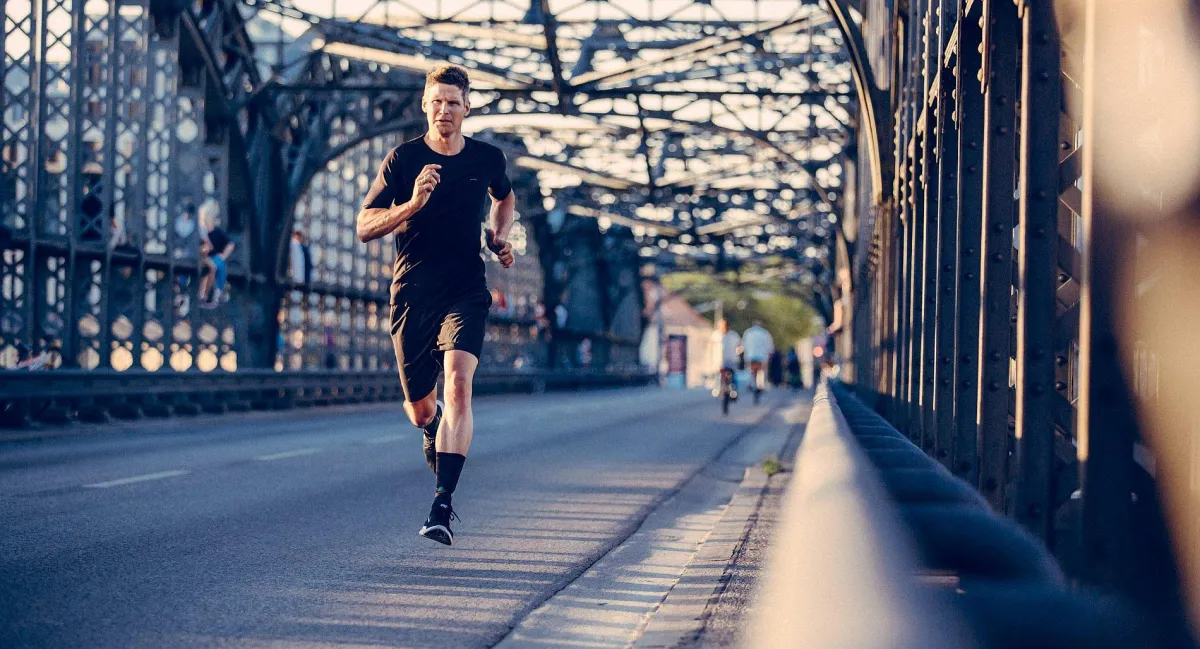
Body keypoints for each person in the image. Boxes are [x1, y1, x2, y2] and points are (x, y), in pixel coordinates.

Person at [356, 64, 516, 546]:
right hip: (413, 292)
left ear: (468, 107)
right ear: (424, 106)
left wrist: (499, 236)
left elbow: (505, 199)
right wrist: (411, 205)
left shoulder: (487, 158)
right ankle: (433, 430)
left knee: (460, 383)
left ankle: (441, 505)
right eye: (436, 102)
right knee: (422, 411)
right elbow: (364, 226)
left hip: (466, 288)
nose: (444, 110)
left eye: (453, 102)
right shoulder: (402, 160)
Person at [198, 201, 233, 308]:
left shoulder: (217, 232)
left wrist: (223, 255)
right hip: (201, 258)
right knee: (212, 267)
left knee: (218, 265)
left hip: (211, 258)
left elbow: (230, 244)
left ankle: (216, 292)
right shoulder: (200, 231)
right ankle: (207, 295)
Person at [710, 318, 741, 398]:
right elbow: (711, 347)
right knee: (718, 375)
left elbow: (740, 346)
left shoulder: (733, 335)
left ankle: (734, 390)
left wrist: (738, 353)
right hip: (719, 361)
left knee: (733, 376)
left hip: (731, 360)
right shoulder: (716, 335)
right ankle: (717, 388)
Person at [741, 320, 774, 393]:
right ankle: (761, 384)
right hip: (762, 356)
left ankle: (750, 383)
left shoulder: (748, 332)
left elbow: (743, 345)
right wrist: (770, 354)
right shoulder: (765, 333)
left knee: (750, 370)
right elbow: (770, 346)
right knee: (762, 370)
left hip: (750, 356)